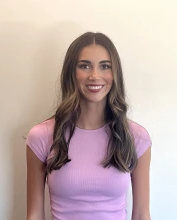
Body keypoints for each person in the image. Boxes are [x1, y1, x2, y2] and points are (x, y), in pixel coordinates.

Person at [26, 32, 152, 220]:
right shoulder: (42, 136)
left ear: (114, 73)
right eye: (84, 66)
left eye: (105, 66)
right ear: (71, 73)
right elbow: (34, 215)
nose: (95, 75)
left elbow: (142, 215)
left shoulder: (136, 137)